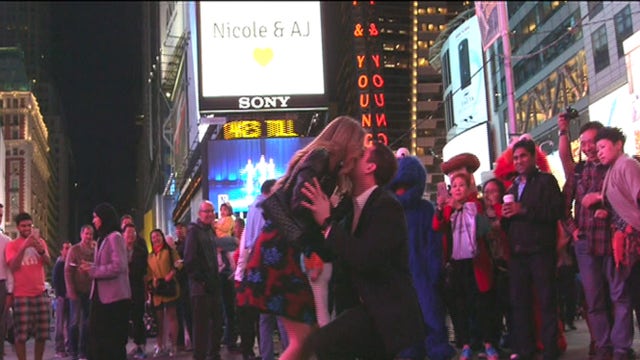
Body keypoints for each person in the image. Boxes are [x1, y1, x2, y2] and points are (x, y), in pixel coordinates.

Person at [236, 115, 366, 359]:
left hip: (282, 250)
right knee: (302, 339)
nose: (360, 152)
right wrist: (322, 219)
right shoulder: (322, 157)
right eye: (358, 145)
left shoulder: (324, 165)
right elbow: (300, 204)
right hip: (282, 253)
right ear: (347, 141)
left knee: (306, 338)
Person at [299, 141, 426, 359]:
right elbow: (332, 252)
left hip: (386, 313)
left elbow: (366, 258)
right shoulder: (350, 206)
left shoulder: (387, 206)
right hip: (362, 310)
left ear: (370, 167)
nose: (355, 153)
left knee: (322, 343)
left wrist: (328, 225)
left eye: (364, 153)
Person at [558, 116, 617, 359]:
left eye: (592, 142)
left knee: (617, 297)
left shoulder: (615, 167)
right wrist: (573, 231)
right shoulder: (579, 171)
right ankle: (602, 346)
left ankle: (619, 344)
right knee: (594, 300)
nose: (588, 147)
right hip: (585, 244)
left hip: (613, 241)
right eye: (583, 142)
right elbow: (564, 207)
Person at [501, 139, 564, 360]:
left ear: (533, 157)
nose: (519, 161)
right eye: (515, 158)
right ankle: (526, 350)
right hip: (518, 254)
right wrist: (506, 216)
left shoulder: (546, 181)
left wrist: (523, 209)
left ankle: (550, 350)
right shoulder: (512, 187)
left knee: (547, 302)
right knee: (520, 304)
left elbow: (556, 210)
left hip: (541, 251)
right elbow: (510, 222)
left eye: (523, 156)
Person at [388, 154, 455, 360]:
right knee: (410, 316)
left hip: (421, 272)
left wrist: (435, 270)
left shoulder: (424, 209)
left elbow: (433, 243)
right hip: (403, 275)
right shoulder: (390, 212)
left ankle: (434, 347)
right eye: (398, 185)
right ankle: (414, 348)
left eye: (405, 185)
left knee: (430, 313)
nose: (401, 190)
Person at [583, 127, 640, 360]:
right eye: (598, 149)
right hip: (624, 240)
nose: (600, 152)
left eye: (604, 147)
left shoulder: (627, 165)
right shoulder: (612, 170)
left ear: (618, 144)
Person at [434, 172, 497, 360]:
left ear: (468, 188)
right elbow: (437, 227)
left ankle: (488, 343)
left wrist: (459, 206)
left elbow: (481, 225)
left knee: (482, 304)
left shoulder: (475, 205)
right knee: (462, 306)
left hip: (476, 262)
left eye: (461, 185)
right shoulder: (448, 208)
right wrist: (441, 208)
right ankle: (467, 344)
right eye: (454, 186)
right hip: (456, 264)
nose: (457, 189)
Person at [235, 179, 288, 360]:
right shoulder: (270, 207)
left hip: (257, 264)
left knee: (265, 317)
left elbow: (248, 243)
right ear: (269, 191)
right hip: (273, 262)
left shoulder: (252, 208)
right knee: (281, 314)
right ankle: (290, 353)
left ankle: (267, 356)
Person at [82, 203, 131, 360]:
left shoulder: (115, 237)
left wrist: (94, 271)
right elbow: (105, 265)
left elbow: (119, 266)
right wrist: (91, 267)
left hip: (113, 300)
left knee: (111, 341)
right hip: (101, 298)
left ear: (104, 218)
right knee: (97, 337)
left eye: (96, 217)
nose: (94, 220)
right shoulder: (103, 238)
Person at [5, 212, 52, 360]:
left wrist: (40, 249)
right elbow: (13, 266)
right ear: (18, 227)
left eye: (29, 225)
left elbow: (48, 261)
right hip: (21, 295)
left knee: (42, 334)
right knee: (21, 335)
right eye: (24, 226)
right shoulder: (12, 245)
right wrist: (25, 246)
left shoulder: (41, 242)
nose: (27, 228)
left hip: (40, 293)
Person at [184, 200, 224, 360]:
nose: (209, 214)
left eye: (211, 211)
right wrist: (202, 280)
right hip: (200, 288)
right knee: (201, 327)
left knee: (217, 324)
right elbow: (189, 260)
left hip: (212, 285)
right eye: (205, 211)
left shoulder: (210, 231)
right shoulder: (194, 231)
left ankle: (214, 354)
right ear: (199, 214)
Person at [482, 178, 511, 349]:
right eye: (486, 192)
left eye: (493, 191)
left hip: (506, 263)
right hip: (488, 265)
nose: (489, 195)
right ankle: (492, 342)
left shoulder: (505, 211)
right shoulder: (481, 214)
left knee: (509, 304)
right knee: (490, 306)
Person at [147, 228, 182, 357]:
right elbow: (148, 274)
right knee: (159, 319)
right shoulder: (150, 256)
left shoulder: (170, 251)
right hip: (158, 291)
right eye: (153, 237)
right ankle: (160, 345)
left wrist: (172, 273)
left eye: (158, 236)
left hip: (170, 288)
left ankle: (174, 345)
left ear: (162, 237)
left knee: (172, 317)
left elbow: (179, 264)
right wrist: (152, 281)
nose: (155, 239)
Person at [65, 225, 95, 360]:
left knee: (87, 323)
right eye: (86, 234)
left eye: (91, 234)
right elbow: (68, 271)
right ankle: (73, 352)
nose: (88, 237)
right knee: (74, 322)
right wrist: (70, 290)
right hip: (76, 291)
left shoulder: (96, 250)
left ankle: (84, 351)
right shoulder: (74, 250)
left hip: (90, 292)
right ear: (81, 234)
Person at [122, 222, 149, 359]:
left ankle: (140, 345)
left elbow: (144, 271)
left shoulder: (141, 251)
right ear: (123, 235)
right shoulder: (119, 250)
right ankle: (124, 346)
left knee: (138, 317)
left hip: (137, 287)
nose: (130, 236)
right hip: (122, 289)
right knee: (123, 318)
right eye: (128, 233)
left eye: (133, 233)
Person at [172, 221, 192, 352]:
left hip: (188, 282)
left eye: (181, 228)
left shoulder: (189, 243)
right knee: (179, 313)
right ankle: (181, 342)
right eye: (177, 229)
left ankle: (193, 341)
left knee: (189, 314)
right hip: (178, 283)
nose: (179, 231)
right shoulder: (175, 245)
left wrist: (183, 262)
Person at [52, 242, 71, 358]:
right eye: (66, 248)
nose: (68, 250)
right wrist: (60, 295)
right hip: (61, 297)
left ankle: (68, 346)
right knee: (60, 324)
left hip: (70, 297)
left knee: (69, 323)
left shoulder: (71, 264)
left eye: (70, 248)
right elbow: (56, 281)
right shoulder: (59, 264)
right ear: (61, 251)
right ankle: (59, 348)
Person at [0, 204, 13, 360]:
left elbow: (10, 270)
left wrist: (10, 291)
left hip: (1, 286)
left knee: (1, 327)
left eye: (1, 215)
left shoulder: (6, 241)